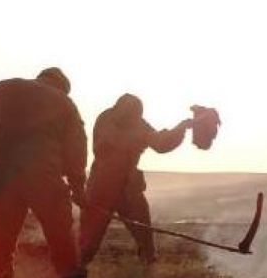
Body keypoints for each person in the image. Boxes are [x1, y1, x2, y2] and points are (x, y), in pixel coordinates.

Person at [0, 67, 87, 278]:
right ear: (63, 87)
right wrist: (78, 187)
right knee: (59, 229)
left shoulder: (3, 86)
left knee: (1, 235)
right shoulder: (64, 102)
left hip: (0, 174)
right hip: (42, 175)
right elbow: (76, 150)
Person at [78, 94, 192, 265]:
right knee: (88, 241)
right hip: (103, 187)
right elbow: (105, 146)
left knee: (145, 238)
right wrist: (139, 139)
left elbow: (161, 144)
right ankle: (74, 277)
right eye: (132, 113)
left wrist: (182, 127)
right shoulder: (106, 119)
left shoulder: (139, 124)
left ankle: (147, 273)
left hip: (128, 189)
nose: (133, 117)